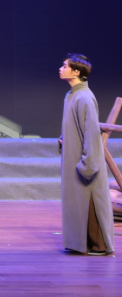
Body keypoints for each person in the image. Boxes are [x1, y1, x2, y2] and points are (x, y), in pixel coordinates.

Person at [58, 54, 115, 255]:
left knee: (89, 201)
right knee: (77, 202)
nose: (61, 68)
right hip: (74, 157)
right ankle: (78, 243)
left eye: (65, 66)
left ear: (76, 72)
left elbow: (91, 133)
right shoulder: (72, 95)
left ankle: (97, 245)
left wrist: (87, 164)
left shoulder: (84, 97)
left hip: (85, 162)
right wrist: (64, 138)